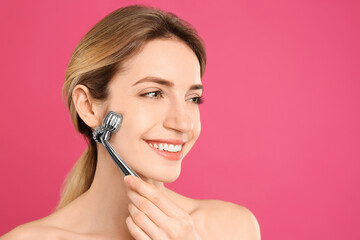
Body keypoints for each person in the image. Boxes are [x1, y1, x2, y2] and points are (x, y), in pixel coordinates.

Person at [1, 5, 260, 240]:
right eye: (153, 93)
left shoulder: (232, 228)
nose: (183, 124)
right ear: (88, 107)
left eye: (193, 98)